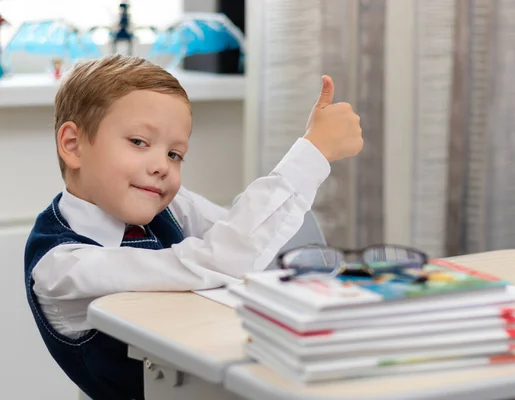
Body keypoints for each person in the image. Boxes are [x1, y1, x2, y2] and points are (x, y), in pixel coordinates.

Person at [24, 54, 362, 399]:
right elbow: (225, 257)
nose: (161, 166)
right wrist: (311, 154)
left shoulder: (168, 206)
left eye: (175, 154)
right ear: (73, 145)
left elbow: (250, 237)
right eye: (139, 142)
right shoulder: (62, 266)